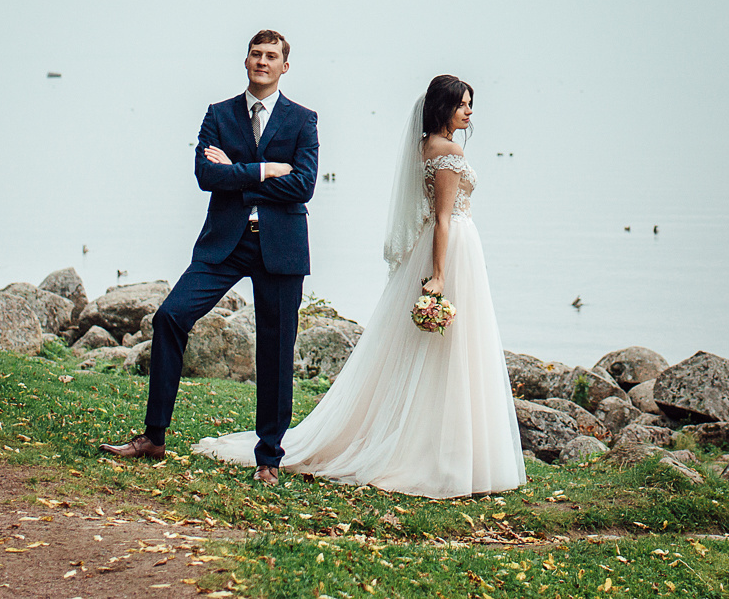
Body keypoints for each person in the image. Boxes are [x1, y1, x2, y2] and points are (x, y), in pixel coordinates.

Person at [194, 73, 526, 498]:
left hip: (438, 245)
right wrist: (440, 276)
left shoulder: (425, 146)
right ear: (444, 108)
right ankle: (444, 453)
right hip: (452, 249)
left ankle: (434, 443)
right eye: (463, 104)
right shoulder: (448, 152)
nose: (469, 112)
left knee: (431, 351)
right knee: (453, 350)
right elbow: (443, 218)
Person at [99, 29, 317, 484]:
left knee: (275, 351)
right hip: (224, 243)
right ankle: (153, 437)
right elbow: (204, 174)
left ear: (284, 67)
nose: (262, 61)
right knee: (170, 317)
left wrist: (234, 173)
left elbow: (304, 185)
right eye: (256, 54)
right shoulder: (218, 114)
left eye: (271, 56)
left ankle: (269, 458)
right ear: (246, 61)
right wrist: (263, 169)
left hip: (281, 246)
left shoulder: (303, 120)